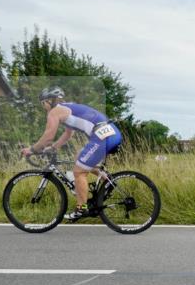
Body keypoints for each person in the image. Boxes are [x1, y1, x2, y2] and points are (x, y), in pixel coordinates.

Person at [22, 86, 123, 221]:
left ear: (49, 101)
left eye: (43, 103)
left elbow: (48, 136)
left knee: (79, 172)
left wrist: (32, 149)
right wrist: (53, 148)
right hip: (111, 132)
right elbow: (68, 134)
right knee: (79, 157)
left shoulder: (54, 112)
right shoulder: (68, 108)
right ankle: (107, 179)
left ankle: (81, 208)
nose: (43, 106)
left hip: (101, 137)